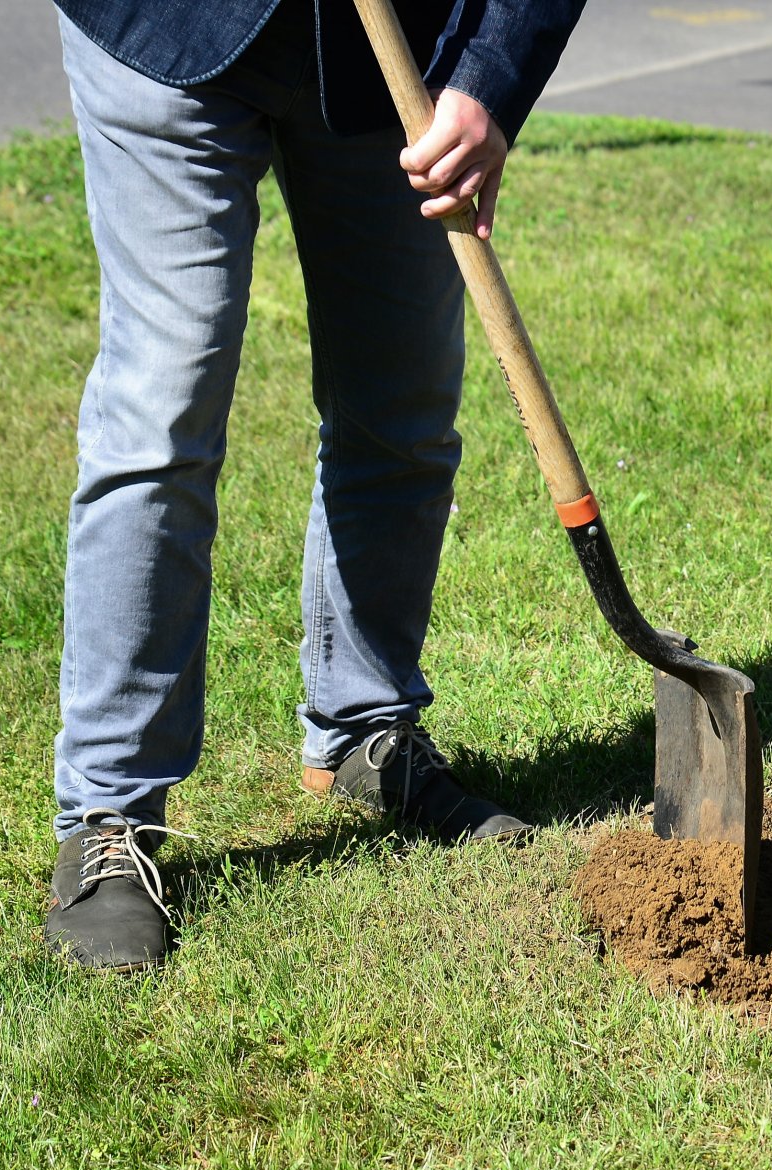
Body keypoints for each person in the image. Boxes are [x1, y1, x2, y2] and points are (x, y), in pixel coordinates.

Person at [44, 0, 585, 973]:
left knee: (403, 408)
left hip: (397, 53)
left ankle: (364, 735)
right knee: (162, 410)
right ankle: (108, 810)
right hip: (167, 31)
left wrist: (494, 79)